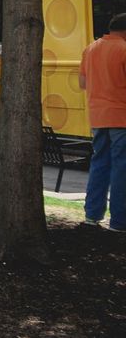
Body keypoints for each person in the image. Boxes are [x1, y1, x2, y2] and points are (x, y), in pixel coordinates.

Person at [80, 12, 126, 232]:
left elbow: (82, 82)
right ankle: (119, 221)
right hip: (122, 116)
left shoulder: (91, 49)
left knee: (99, 164)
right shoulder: (124, 49)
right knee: (121, 168)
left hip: (98, 116)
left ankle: (92, 215)